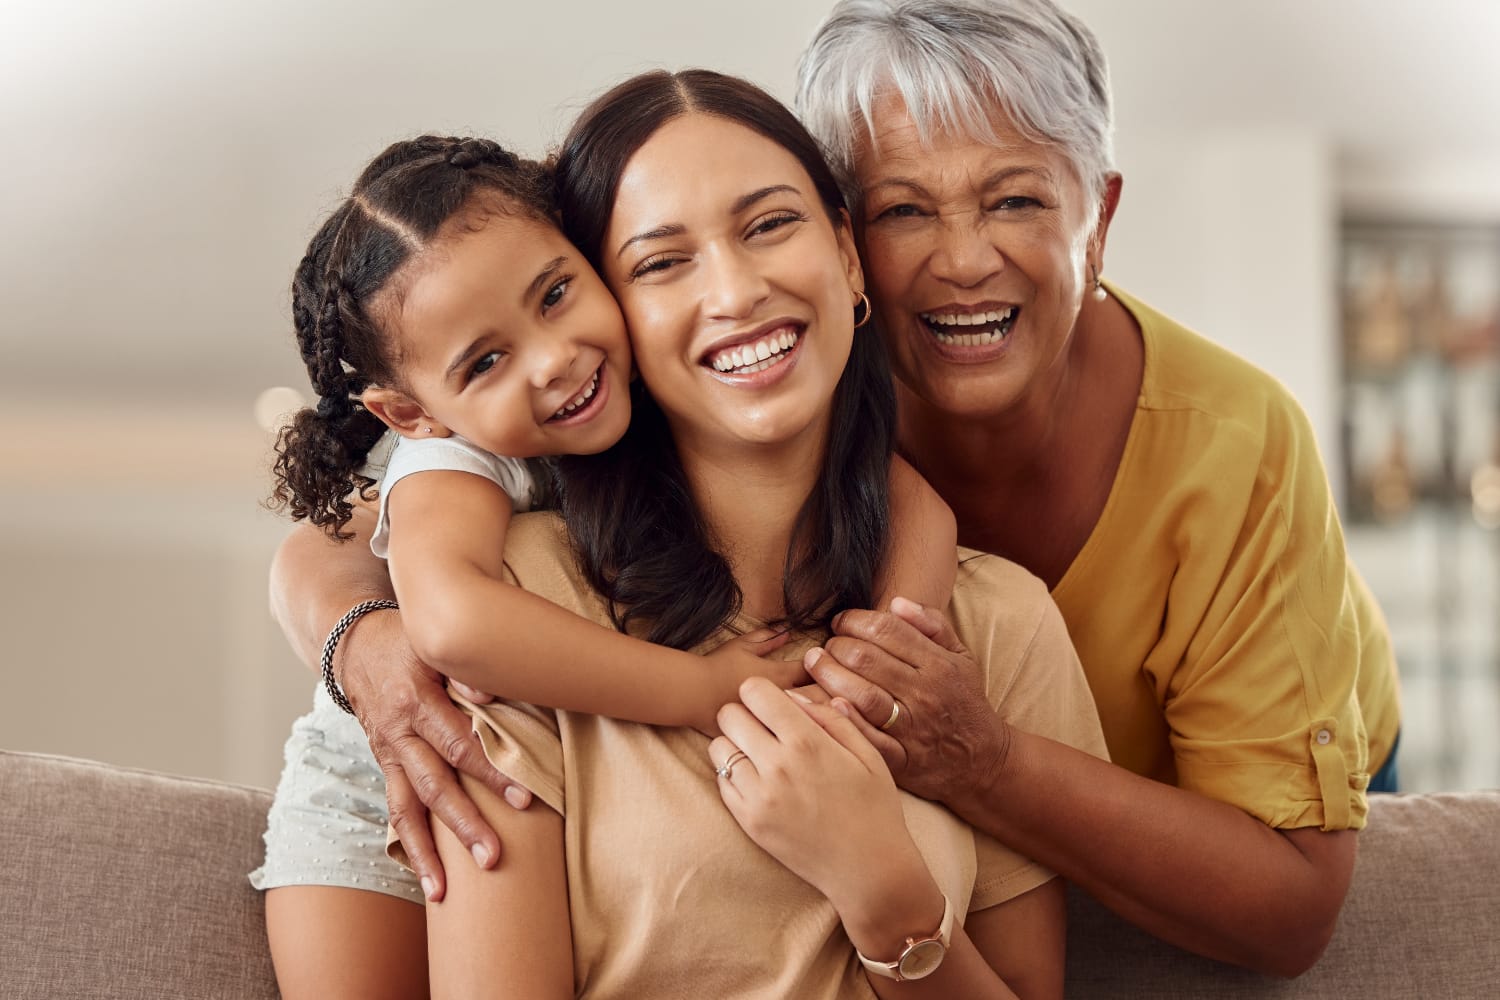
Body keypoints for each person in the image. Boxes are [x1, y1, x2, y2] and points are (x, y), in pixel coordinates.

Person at [409, 67, 1104, 997]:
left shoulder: (1001, 622)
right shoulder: (526, 600)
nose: (735, 291)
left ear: (848, 257)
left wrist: (882, 887)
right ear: (611, 316)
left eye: (770, 225)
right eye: (661, 262)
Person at [252, 133, 958, 997]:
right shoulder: (453, 466)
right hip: (368, 795)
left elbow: (909, 497)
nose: (553, 359)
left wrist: (891, 663)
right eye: (485, 361)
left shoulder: (649, 391)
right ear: (411, 412)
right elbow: (454, 625)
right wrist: (702, 691)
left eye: (555, 294)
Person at [788, 0, 1401, 977]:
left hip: (1299, 761)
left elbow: (1289, 908)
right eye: (905, 209)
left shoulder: (1240, 440)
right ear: (844, 240)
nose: (963, 260)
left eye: (1016, 201)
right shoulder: (788, 410)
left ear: (1100, 217)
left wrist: (983, 762)